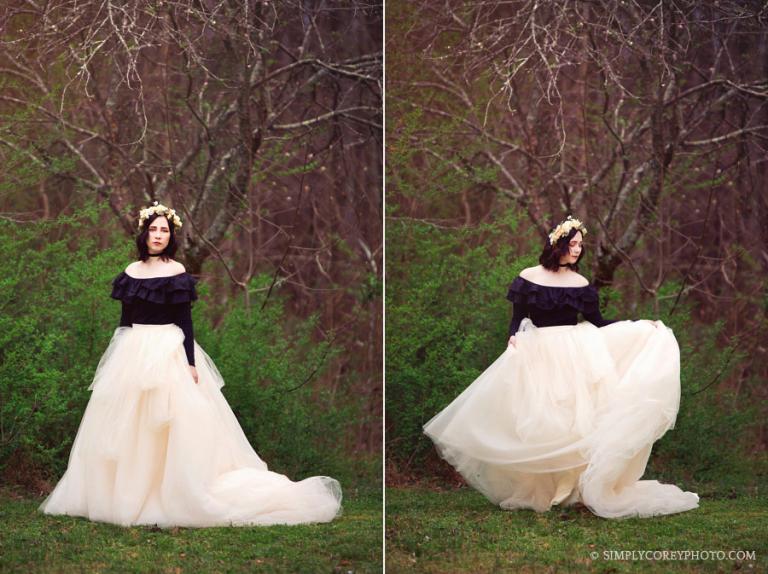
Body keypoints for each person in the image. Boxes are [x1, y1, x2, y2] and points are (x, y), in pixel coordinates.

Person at [39, 201, 342, 527]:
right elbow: (124, 323)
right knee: (125, 424)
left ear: (171, 236)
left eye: (164, 230)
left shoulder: (177, 272)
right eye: (153, 229)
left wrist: (190, 362)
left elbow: (185, 322)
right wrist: (114, 360)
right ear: (144, 233)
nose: (158, 235)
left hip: (168, 349)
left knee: (173, 423)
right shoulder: (130, 273)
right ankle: (121, 494)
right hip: (132, 351)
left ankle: (170, 492)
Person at [423, 215, 699, 519]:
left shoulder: (580, 284)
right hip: (537, 350)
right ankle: (543, 488)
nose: (578, 249)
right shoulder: (529, 277)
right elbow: (517, 316)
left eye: (581, 244)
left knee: (573, 419)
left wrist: (639, 328)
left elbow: (599, 323)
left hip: (573, 352)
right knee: (540, 418)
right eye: (573, 244)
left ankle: (572, 488)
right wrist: (513, 338)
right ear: (558, 245)